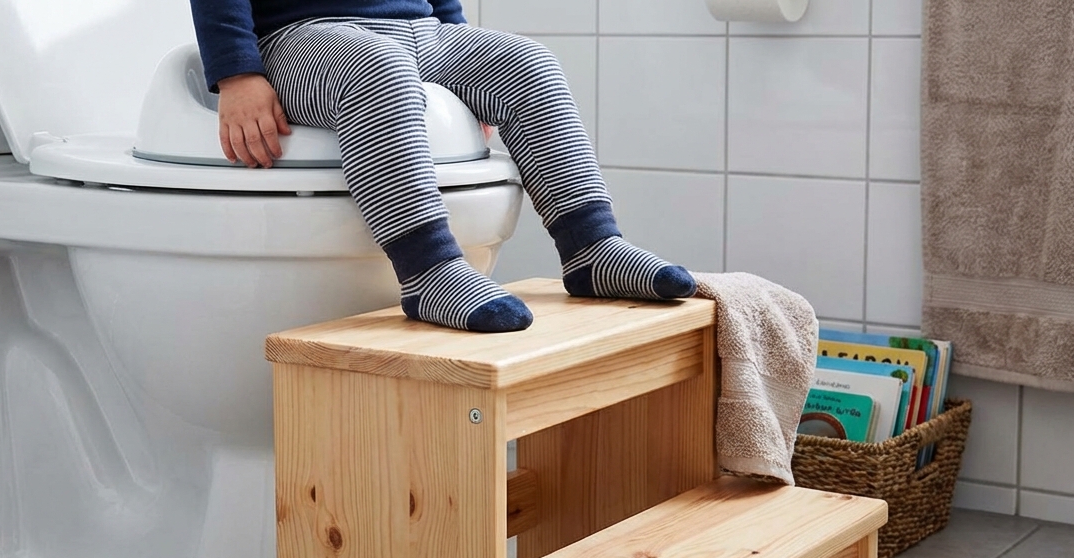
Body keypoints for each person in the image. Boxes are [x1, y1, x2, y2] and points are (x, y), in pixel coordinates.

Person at [189, 1, 697, 332]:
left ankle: (592, 249)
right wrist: (237, 73)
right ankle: (429, 272)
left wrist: (462, 53)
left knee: (528, 61)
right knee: (376, 69)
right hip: (305, 37)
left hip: (424, 32)